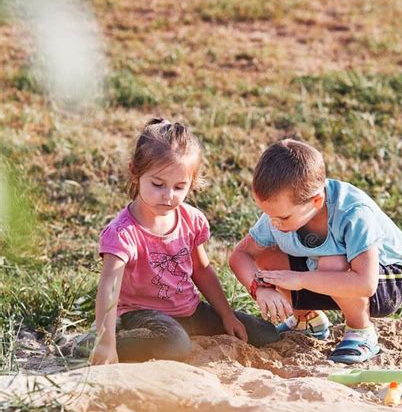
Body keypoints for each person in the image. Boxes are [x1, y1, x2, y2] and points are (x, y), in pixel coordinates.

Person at [90, 118, 279, 365]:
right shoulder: (123, 233)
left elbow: (201, 270)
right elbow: (109, 287)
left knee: (266, 333)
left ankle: (172, 334)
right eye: (158, 184)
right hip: (142, 314)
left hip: (190, 312)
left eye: (180, 187)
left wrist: (226, 315)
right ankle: (93, 343)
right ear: (136, 173)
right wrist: (106, 342)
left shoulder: (191, 219)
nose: (168, 196)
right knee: (175, 345)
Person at [229, 139, 402, 364]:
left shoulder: (352, 213)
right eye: (269, 215)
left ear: (316, 200)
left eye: (283, 217)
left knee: (332, 262)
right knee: (268, 254)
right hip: (321, 270)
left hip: (387, 279)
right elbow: (241, 255)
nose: (274, 223)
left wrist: (299, 279)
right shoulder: (283, 213)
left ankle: (361, 331)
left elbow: (366, 283)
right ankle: (307, 319)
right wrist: (260, 289)